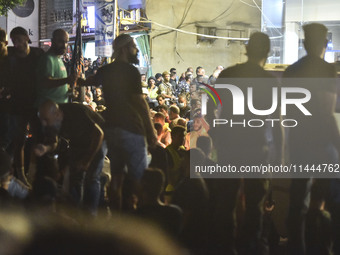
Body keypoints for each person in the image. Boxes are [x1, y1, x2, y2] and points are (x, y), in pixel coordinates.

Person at [207, 32, 282, 254]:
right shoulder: (269, 81)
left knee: (227, 199)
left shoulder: (229, 74)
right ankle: (252, 247)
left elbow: (210, 107)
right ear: (268, 52)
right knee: (255, 204)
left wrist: (217, 135)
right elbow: (277, 123)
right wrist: (278, 156)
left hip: (229, 145)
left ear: (247, 49)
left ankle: (226, 247)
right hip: (257, 147)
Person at [78, 34, 157, 211]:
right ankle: (145, 218)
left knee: (117, 178)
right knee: (139, 179)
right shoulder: (131, 71)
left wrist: (79, 79)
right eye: (134, 47)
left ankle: (116, 217)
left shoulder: (106, 70)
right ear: (124, 49)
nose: (136, 50)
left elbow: (89, 81)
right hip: (131, 128)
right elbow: (140, 103)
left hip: (112, 129)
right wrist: (151, 131)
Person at [283, 23, 340, 255]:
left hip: (299, 141)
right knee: (331, 197)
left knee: (298, 200)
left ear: (304, 43)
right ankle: (328, 246)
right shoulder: (328, 71)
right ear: (325, 44)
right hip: (323, 142)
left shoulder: (291, 72)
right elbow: (327, 113)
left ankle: (298, 248)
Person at [34, 100, 105, 216]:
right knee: (75, 175)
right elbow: (54, 142)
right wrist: (46, 148)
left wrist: (87, 160)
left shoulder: (75, 113)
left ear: (57, 115)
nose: (43, 124)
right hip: (77, 141)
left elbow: (99, 134)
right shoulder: (52, 120)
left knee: (92, 177)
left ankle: (90, 217)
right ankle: (74, 213)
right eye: (41, 120)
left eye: (45, 120)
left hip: (97, 139)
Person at [5, 27, 44, 186]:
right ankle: (21, 174)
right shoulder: (10, 57)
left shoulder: (38, 54)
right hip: (17, 103)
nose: (17, 44)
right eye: (14, 41)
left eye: (19, 40)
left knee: (37, 137)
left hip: (35, 102)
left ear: (27, 38)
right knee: (18, 139)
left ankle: (34, 171)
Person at [36, 29, 77, 106]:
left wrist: (68, 91)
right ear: (52, 41)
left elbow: (58, 83)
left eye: (66, 42)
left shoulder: (58, 59)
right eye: (61, 41)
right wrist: (67, 80)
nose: (64, 45)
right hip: (50, 108)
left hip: (60, 106)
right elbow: (45, 83)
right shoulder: (47, 58)